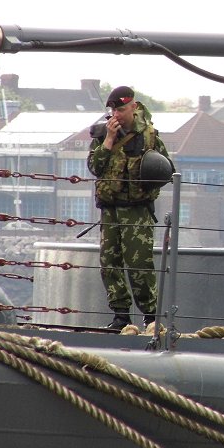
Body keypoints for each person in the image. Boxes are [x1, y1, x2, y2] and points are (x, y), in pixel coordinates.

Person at [87, 85, 174, 330]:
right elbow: (94, 166)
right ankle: (121, 315)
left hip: (137, 210)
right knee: (109, 262)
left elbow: (166, 169)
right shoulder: (103, 134)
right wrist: (109, 141)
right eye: (113, 110)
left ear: (134, 107)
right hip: (110, 209)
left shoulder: (150, 136)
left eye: (122, 109)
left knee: (139, 262)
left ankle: (150, 316)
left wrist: (149, 186)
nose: (117, 115)